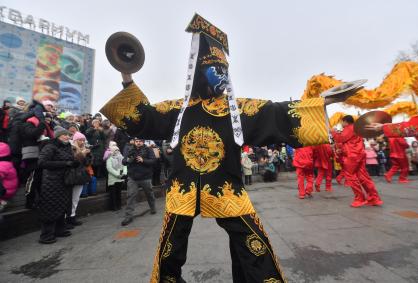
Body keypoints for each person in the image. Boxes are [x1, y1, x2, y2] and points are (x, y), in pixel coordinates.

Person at [100, 14, 359, 283]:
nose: (220, 75)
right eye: (214, 68)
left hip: (226, 186)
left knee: (252, 243)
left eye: (223, 69)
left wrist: (324, 102)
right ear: (199, 72)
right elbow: (144, 118)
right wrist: (126, 72)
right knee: (170, 250)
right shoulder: (179, 109)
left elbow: (275, 113)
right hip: (182, 188)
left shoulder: (236, 110)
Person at [332, 115, 383, 207]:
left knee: (351, 176)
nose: (341, 124)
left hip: (352, 156)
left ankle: (359, 199)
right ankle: (374, 198)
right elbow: (350, 142)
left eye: (342, 122)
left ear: (345, 122)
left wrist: (333, 132)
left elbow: (340, 138)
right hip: (359, 154)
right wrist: (342, 150)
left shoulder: (349, 128)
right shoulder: (357, 129)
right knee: (364, 177)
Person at [37, 126, 77, 244]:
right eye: (65, 134)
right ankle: (46, 235)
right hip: (52, 182)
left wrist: (74, 162)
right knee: (50, 207)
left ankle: (59, 229)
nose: (67, 136)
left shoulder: (67, 146)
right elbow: (42, 162)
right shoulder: (50, 146)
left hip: (64, 181)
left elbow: (69, 161)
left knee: (62, 206)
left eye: (68, 135)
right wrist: (66, 163)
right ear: (58, 135)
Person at [121, 138, 156, 226]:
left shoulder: (148, 149)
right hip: (133, 177)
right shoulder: (129, 149)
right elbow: (124, 161)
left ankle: (153, 207)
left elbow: (153, 161)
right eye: (136, 141)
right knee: (130, 195)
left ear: (143, 142)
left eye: (140, 141)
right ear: (134, 142)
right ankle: (128, 216)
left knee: (149, 193)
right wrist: (129, 159)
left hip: (145, 177)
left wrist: (143, 160)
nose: (138, 143)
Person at [68, 131, 92, 226]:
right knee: (69, 198)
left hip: (81, 176)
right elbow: (73, 161)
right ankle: (67, 217)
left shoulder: (85, 148)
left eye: (83, 140)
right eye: (80, 140)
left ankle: (72, 216)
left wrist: (88, 155)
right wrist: (81, 154)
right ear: (75, 140)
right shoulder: (71, 148)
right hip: (72, 176)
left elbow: (87, 163)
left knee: (76, 198)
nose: (82, 142)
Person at [106, 144, 127, 211]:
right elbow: (109, 168)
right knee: (113, 194)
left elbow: (124, 165)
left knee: (118, 193)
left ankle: (119, 205)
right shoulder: (109, 158)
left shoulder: (121, 157)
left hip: (120, 178)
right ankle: (113, 206)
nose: (117, 151)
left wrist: (124, 173)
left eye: (118, 150)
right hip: (113, 178)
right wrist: (117, 174)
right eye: (115, 150)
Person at [0, 142, 18, 212]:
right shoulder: (7, 163)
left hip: (6, 191)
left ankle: (1, 202)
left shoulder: (2, 165)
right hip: (8, 189)